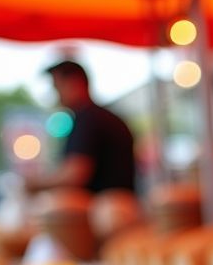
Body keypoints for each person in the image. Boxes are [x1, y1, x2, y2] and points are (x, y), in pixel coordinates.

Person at [26, 60, 135, 195]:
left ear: (75, 83)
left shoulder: (89, 119)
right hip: (113, 207)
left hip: (106, 209)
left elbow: (75, 174)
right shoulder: (95, 117)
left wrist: (35, 184)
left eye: (57, 87)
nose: (56, 95)